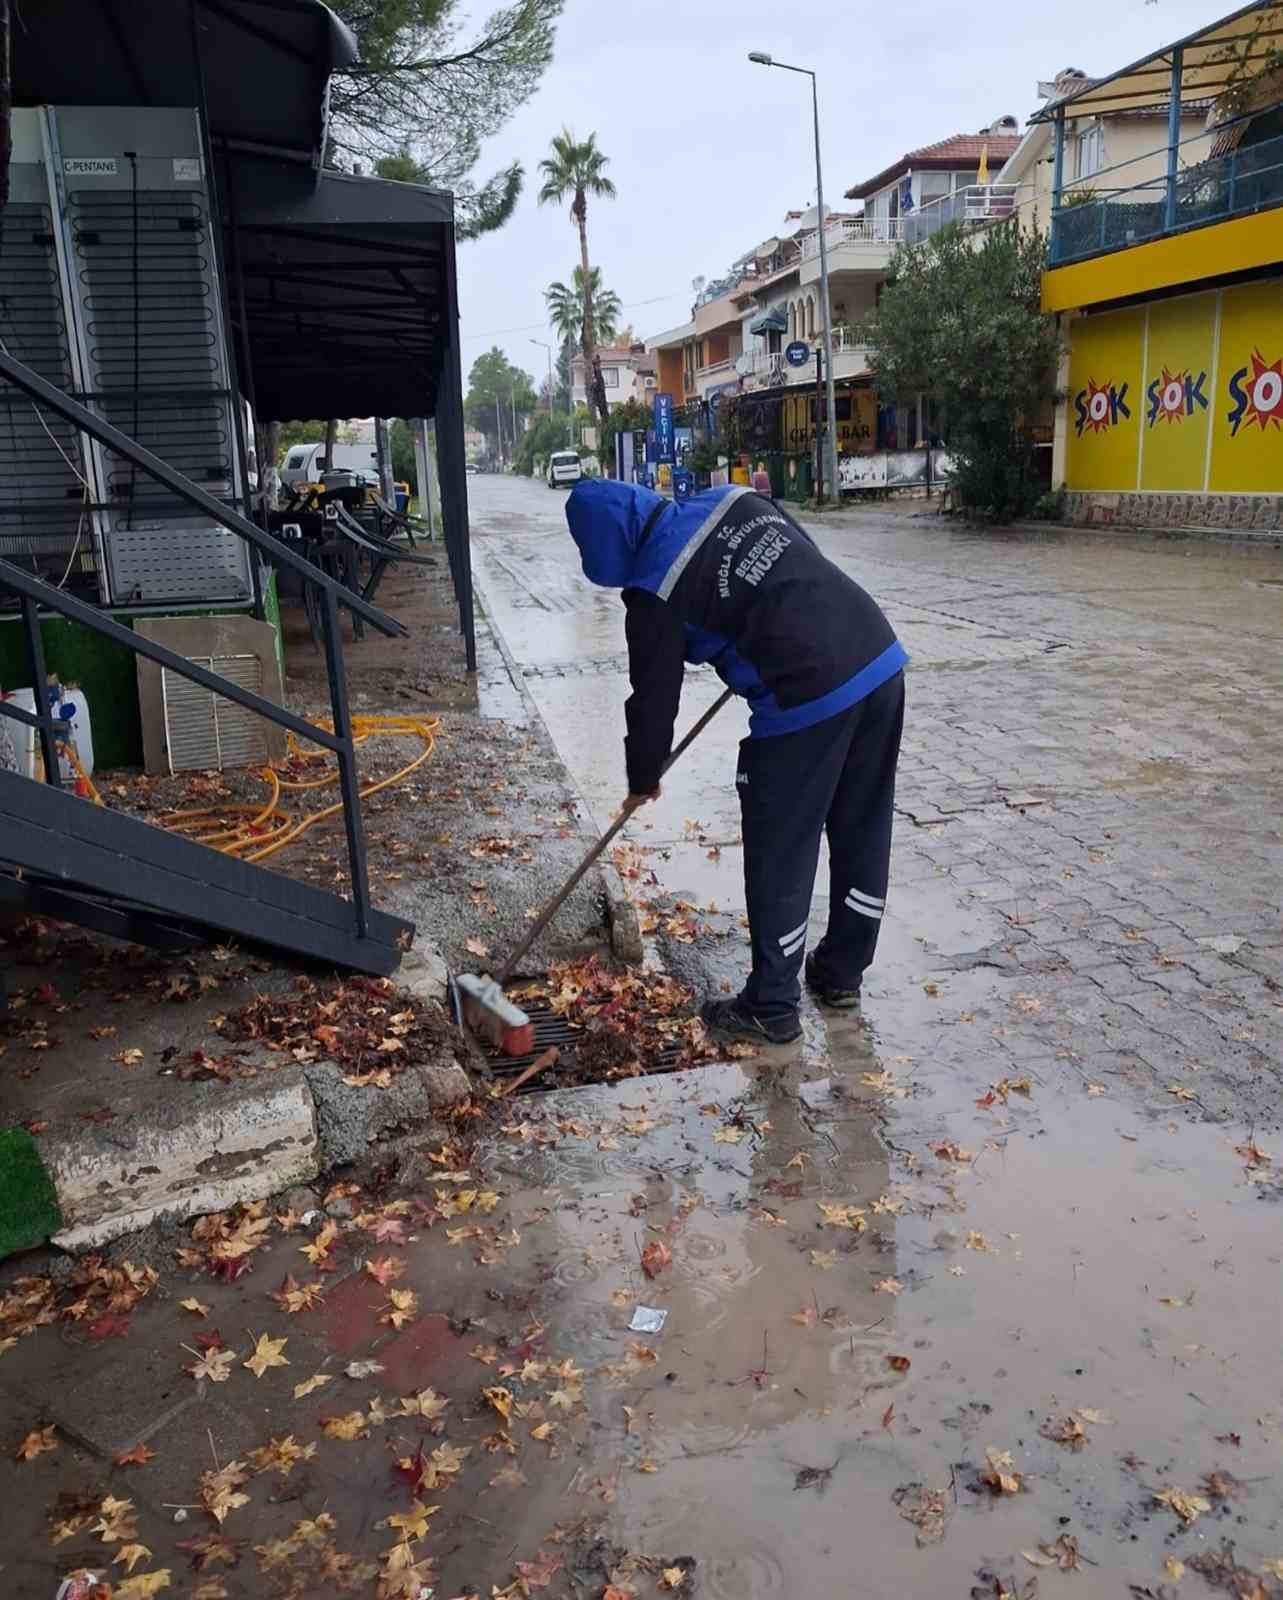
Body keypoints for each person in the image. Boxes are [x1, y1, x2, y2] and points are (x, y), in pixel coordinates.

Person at [565, 479, 906, 1046]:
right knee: (862, 828)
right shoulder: (731, 498)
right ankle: (841, 973)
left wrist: (643, 777)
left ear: (606, 549)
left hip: (807, 694)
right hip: (878, 656)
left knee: (781, 844)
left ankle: (771, 1006)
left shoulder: (654, 587)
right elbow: (799, 557)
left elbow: (653, 701)